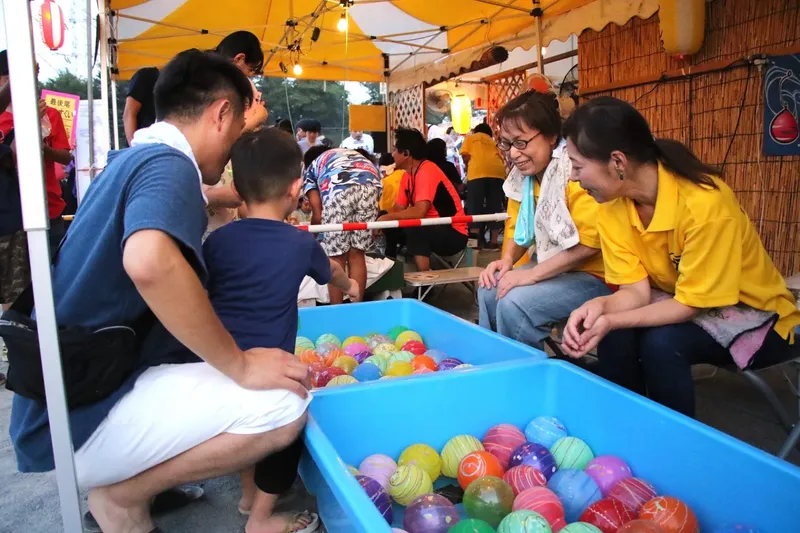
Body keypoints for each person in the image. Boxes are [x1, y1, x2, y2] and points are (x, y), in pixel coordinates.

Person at [9, 50, 310, 533]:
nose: (233, 152)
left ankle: (127, 495)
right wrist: (240, 363)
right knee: (287, 403)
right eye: (235, 135)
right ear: (220, 114)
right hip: (80, 418)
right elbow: (149, 262)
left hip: (64, 398)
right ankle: (123, 496)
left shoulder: (130, 160)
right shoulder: (169, 167)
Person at [560, 96, 800, 417]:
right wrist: (596, 308)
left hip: (759, 314)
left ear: (618, 162)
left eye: (577, 166)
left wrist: (610, 319)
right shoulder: (612, 205)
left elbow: (690, 305)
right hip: (684, 300)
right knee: (615, 335)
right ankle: (624, 426)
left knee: (662, 343)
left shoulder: (705, 205)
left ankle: (673, 447)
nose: (573, 177)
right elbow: (636, 291)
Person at [209, 127, 359, 533]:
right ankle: (261, 517)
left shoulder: (217, 242)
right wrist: (351, 287)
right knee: (286, 429)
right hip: (271, 369)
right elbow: (333, 271)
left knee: (243, 430)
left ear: (237, 188)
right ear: (296, 189)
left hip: (222, 365)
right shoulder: (299, 242)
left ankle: (246, 497)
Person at [477, 91, 610, 350]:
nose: (513, 154)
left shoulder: (573, 170)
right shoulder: (522, 177)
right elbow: (516, 227)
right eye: (506, 144)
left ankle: (524, 377)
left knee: (515, 301)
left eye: (521, 142)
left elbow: (590, 244)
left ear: (551, 136)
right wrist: (505, 262)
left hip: (596, 275)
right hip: (554, 268)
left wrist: (533, 275)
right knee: (490, 289)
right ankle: (496, 364)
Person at [123, 30, 266, 143]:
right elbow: (129, 114)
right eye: (251, 69)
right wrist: (257, 118)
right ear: (239, 59)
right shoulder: (209, 79)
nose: (249, 76)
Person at [0, 52, 72, 257]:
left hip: (49, 208)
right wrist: (29, 126)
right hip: (11, 214)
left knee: (55, 274)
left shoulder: (50, 113)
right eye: (8, 78)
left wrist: (43, 149)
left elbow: (66, 158)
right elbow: (13, 160)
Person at [378, 128, 468, 271]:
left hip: (453, 233)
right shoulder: (407, 175)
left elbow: (420, 211)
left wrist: (386, 218)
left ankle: (425, 284)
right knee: (388, 223)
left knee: (414, 227)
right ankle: (389, 272)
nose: (392, 155)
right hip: (431, 228)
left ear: (406, 153)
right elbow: (398, 209)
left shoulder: (427, 170)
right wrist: (381, 217)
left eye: (395, 150)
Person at [303, 146, 382, 304]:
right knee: (357, 253)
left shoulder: (311, 170)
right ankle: (356, 308)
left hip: (339, 189)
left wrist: (308, 242)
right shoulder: (341, 154)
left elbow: (318, 215)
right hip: (372, 183)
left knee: (336, 257)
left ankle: (337, 312)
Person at [460, 122, 507, 250]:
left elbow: (465, 155)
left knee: (474, 206)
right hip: (497, 173)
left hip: (477, 173)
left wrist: (467, 167)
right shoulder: (492, 142)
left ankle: (474, 244)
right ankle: (493, 242)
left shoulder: (470, 138)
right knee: (495, 207)